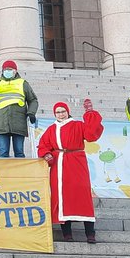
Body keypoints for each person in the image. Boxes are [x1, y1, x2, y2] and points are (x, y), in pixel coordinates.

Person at [37, 99, 104, 244]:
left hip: (76, 162)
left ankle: (90, 234)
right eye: (58, 112)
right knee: (61, 197)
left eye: (63, 111)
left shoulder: (78, 125)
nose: (60, 114)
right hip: (58, 164)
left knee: (82, 195)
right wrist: (47, 154)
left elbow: (92, 134)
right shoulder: (51, 129)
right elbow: (43, 145)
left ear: (67, 112)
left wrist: (90, 114)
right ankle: (67, 234)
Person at [0, 60, 38, 158]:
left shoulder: (23, 83)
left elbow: (33, 100)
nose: (7, 71)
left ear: (15, 71)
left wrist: (31, 113)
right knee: (3, 153)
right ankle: (4, 173)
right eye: (5, 69)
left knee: (19, 152)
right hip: (1, 124)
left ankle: (20, 174)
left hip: (19, 122)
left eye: (10, 69)